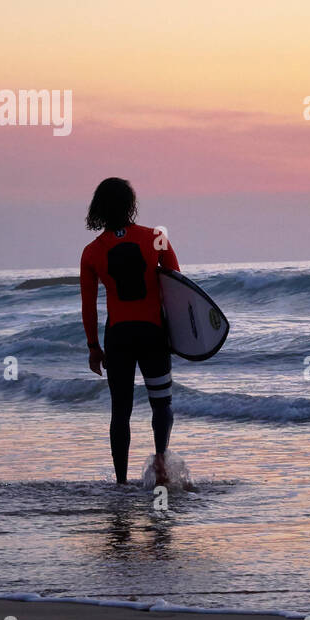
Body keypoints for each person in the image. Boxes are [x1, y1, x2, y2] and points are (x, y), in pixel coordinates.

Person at [80, 178, 179, 485]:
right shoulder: (157, 238)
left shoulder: (92, 251)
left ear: (99, 208)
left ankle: (122, 483)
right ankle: (161, 463)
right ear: (130, 205)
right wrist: (181, 337)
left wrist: (93, 347)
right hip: (153, 334)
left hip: (119, 337)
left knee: (120, 411)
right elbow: (177, 288)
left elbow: (88, 306)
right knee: (161, 403)